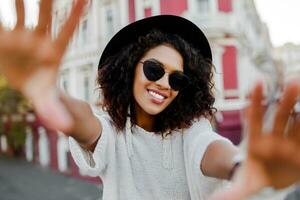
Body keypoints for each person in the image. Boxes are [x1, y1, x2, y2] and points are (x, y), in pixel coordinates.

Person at [1, 0, 300, 199]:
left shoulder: (192, 130)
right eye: (154, 69)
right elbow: (83, 122)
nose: (164, 84)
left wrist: (241, 166)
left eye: (177, 78)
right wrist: (48, 90)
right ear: (130, 70)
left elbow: (210, 149)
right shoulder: (112, 132)